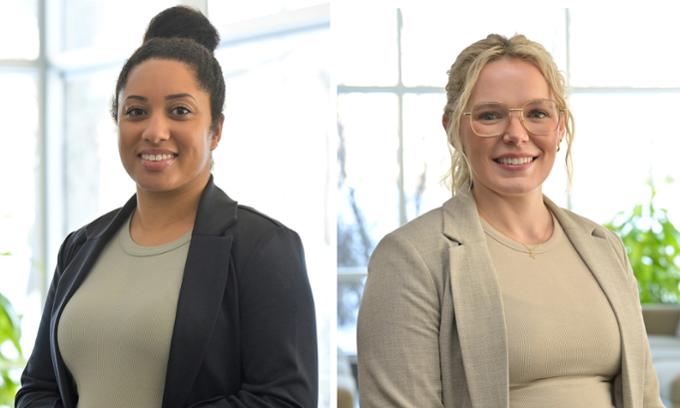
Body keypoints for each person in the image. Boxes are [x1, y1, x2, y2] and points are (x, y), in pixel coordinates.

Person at [16, 6, 317, 408]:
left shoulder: (262, 248)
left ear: (216, 130)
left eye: (180, 111)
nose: (155, 132)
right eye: (136, 111)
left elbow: (284, 400)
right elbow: (37, 388)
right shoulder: (80, 246)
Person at [357, 33, 663, 407]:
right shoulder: (410, 257)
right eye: (490, 115)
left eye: (537, 113)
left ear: (560, 125)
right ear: (453, 129)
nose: (516, 135)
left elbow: (647, 397)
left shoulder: (604, 246)